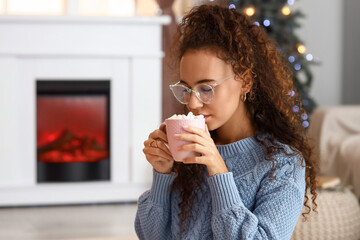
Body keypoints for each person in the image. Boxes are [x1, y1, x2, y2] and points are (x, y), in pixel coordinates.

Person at [135, 3, 318, 240]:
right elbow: (151, 236)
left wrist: (219, 171)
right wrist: (162, 174)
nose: (192, 104)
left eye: (206, 88)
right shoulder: (187, 153)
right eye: (187, 89)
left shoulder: (282, 164)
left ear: (245, 82)